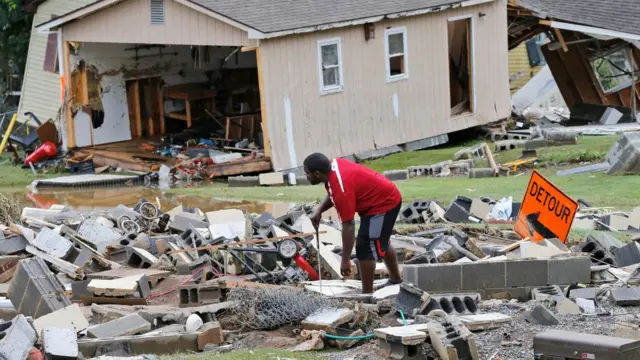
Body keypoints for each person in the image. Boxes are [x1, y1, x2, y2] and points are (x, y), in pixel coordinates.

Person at [304, 153, 403, 293]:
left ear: (317, 174)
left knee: (365, 247)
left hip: (384, 205)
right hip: (377, 202)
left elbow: (349, 226)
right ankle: (395, 281)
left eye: (307, 173)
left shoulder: (341, 187)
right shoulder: (332, 168)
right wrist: (320, 209)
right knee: (381, 241)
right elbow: (334, 192)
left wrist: (345, 260)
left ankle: (367, 295)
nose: (306, 176)